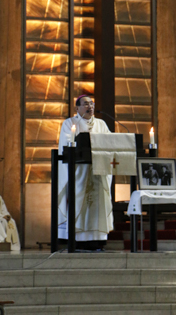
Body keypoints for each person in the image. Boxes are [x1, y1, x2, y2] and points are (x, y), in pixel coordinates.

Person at [58, 95, 113, 250]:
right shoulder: (70, 123)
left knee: (96, 206)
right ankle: (77, 239)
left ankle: (96, 240)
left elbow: (109, 143)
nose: (90, 107)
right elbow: (66, 145)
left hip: (97, 171)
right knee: (79, 202)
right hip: (79, 172)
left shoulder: (101, 124)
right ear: (77, 108)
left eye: (92, 104)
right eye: (86, 104)